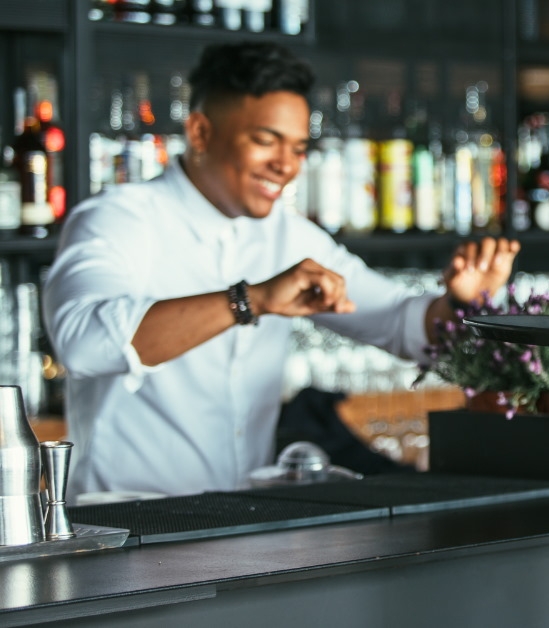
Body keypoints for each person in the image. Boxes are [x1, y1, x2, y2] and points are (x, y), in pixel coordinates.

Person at [43, 42, 519, 499]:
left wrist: (459, 301)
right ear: (201, 132)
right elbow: (84, 342)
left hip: (242, 517)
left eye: (297, 148)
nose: (286, 166)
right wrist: (250, 301)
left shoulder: (287, 234)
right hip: (128, 520)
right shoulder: (119, 219)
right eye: (266, 141)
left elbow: (398, 322)